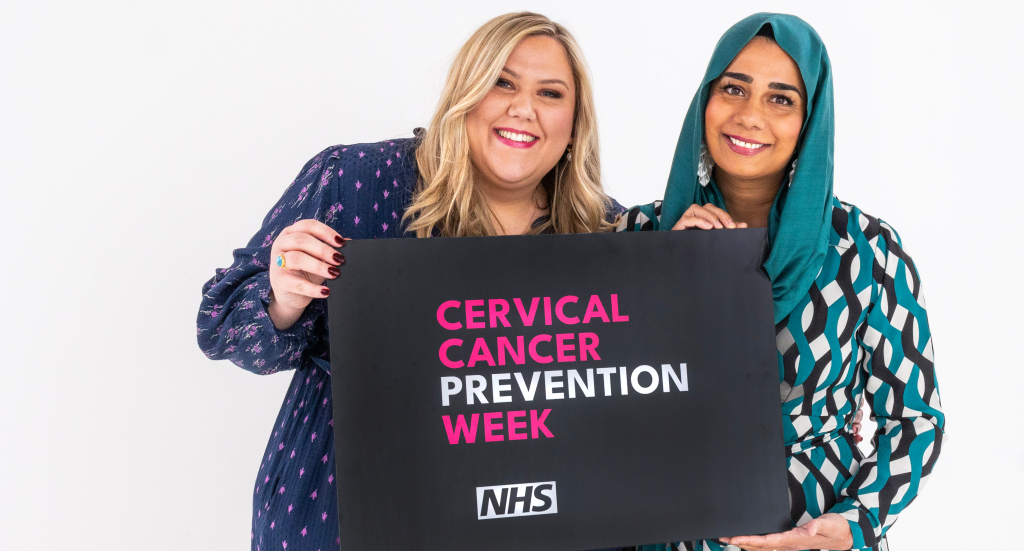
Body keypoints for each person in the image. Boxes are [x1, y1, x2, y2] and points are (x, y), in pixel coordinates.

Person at [196, 12, 622, 551]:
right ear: (466, 92)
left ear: (574, 124)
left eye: (551, 93)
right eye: (502, 82)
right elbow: (222, 331)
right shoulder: (355, 180)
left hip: (530, 522)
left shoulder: (606, 232)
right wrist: (282, 299)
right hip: (343, 514)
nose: (523, 108)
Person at [617, 13, 944, 551]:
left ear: (809, 120)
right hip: (669, 535)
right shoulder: (636, 237)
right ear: (704, 101)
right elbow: (595, 400)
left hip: (815, 536)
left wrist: (853, 525)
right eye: (733, 89)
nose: (750, 116)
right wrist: (665, 275)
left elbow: (915, 419)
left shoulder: (865, 251)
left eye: (781, 99)